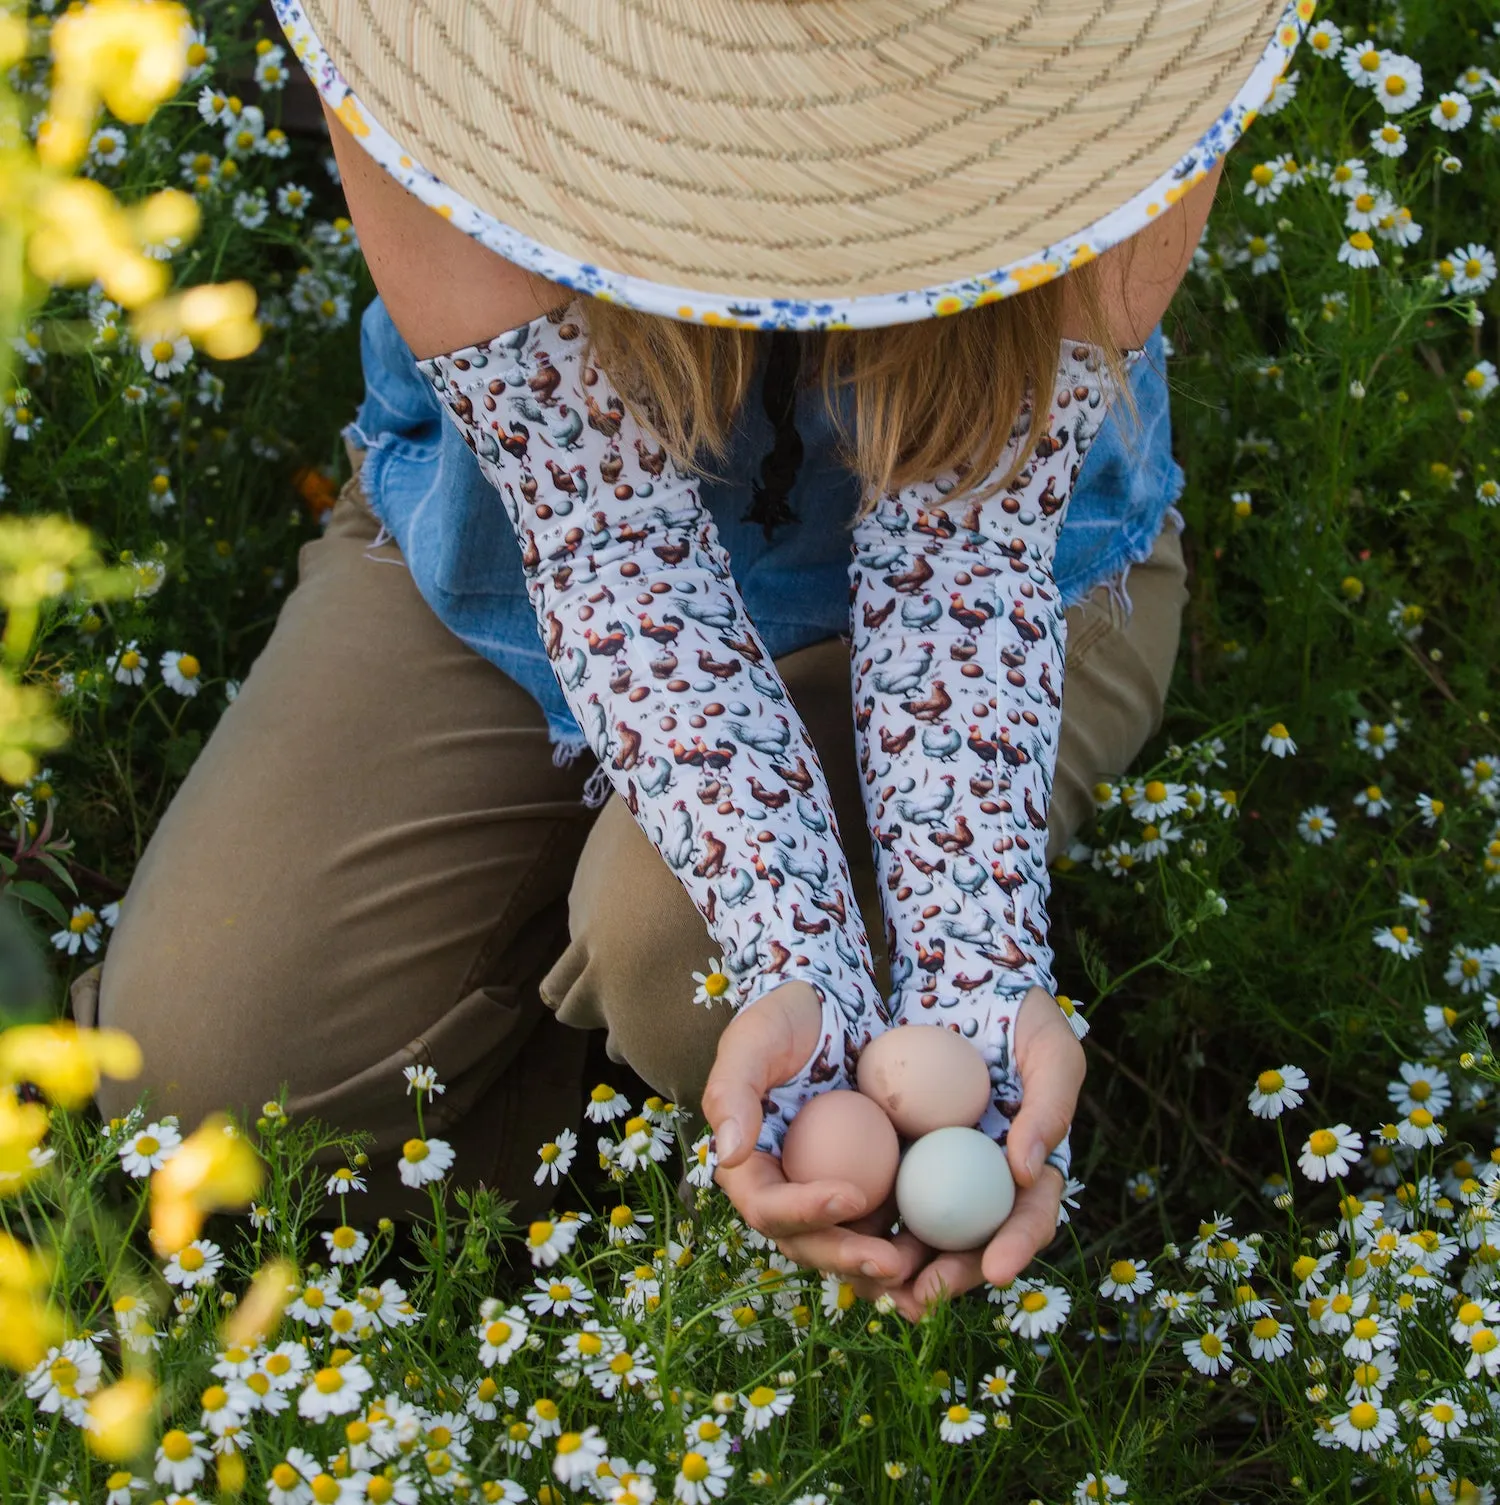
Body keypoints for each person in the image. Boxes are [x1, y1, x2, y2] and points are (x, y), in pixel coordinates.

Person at [74, 0, 1307, 1319]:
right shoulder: (427, 28)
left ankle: (733, 1187)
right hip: (521, 531)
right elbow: (610, 547)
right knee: (200, 1081)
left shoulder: (1127, 36)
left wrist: (965, 988)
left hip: (1003, 569)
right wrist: (802, 949)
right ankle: (644, 1182)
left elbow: (967, 556)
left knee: (677, 958)